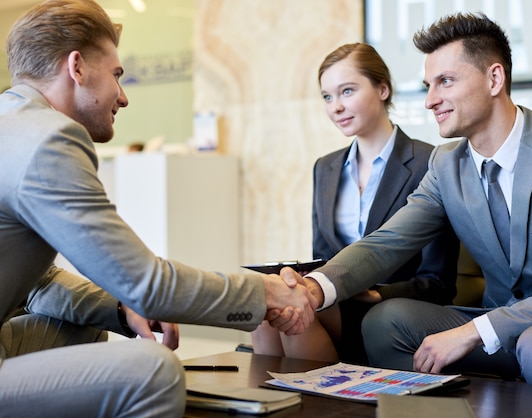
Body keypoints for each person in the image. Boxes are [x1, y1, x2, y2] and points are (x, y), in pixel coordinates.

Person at [273, 11, 532, 388]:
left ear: (494, 78)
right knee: (385, 321)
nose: (430, 100)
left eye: (445, 82)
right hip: (498, 327)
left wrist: (475, 330)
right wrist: (315, 288)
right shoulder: (446, 164)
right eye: (428, 85)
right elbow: (387, 243)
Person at [0, 1, 316, 417]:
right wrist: (266, 291)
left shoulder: (13, 119)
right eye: (117, 75)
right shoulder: (48, 139)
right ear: (76, 67)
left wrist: (120, 309)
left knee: (89, 326)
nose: (124, 96)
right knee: (154, 370)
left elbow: (38, 284)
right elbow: (148, 284)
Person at [251, 43, 459, 364]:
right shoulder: (326, 167)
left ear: (382, 89)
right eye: (327, 96)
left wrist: (378, 292)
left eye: (347, 91)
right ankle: (267, 406)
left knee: (292, 315)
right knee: (268, 306)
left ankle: (313, 406)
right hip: (332, 300)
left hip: (390, 307)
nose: (335, 106)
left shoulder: (429, 162)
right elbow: (320, 260)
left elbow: (438, 282)